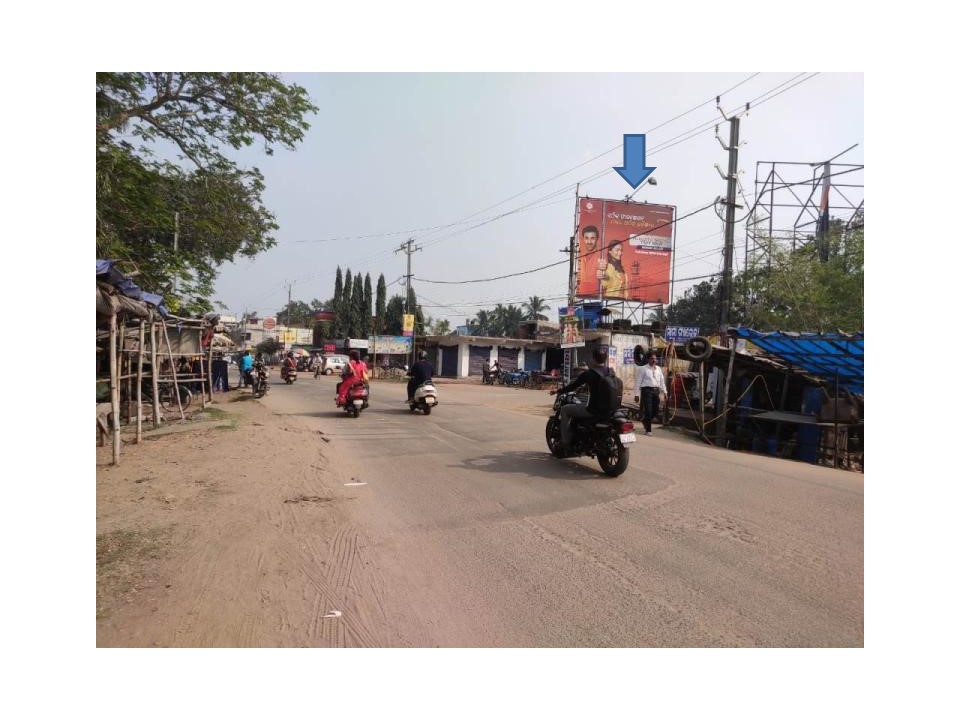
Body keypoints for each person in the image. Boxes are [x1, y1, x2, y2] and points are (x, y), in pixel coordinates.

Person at [549, 348, 617, 451]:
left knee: (565, 409)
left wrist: (557, 391)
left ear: (593, 359)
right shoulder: (611, 372)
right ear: (605, 359)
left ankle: (565, 442)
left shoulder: (588, 374)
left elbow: (572, 386)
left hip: (593, 410)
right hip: (610, 410)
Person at [634, 351, 667, 435]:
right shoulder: (643, 368)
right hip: (646, 391)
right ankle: (648, 430)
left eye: (655, 359)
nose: (654, 360)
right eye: (652, 359)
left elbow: (662, 381)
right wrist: (636, 394)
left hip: (656, 391)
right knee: (648, 410)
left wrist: (665, 392)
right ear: (648, 359)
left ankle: (645, 420)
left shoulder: (658, 369)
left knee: (655, 410)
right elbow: (638, 382)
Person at [577, 225, 602, 296]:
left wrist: (605, 275)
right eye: (586, 238)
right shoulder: (581, 258)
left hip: (597, 295)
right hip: (581, 294)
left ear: (597, 239)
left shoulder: (602, 257)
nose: (589, 242)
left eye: (592, 238)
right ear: (583, 239)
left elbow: (608, 276)